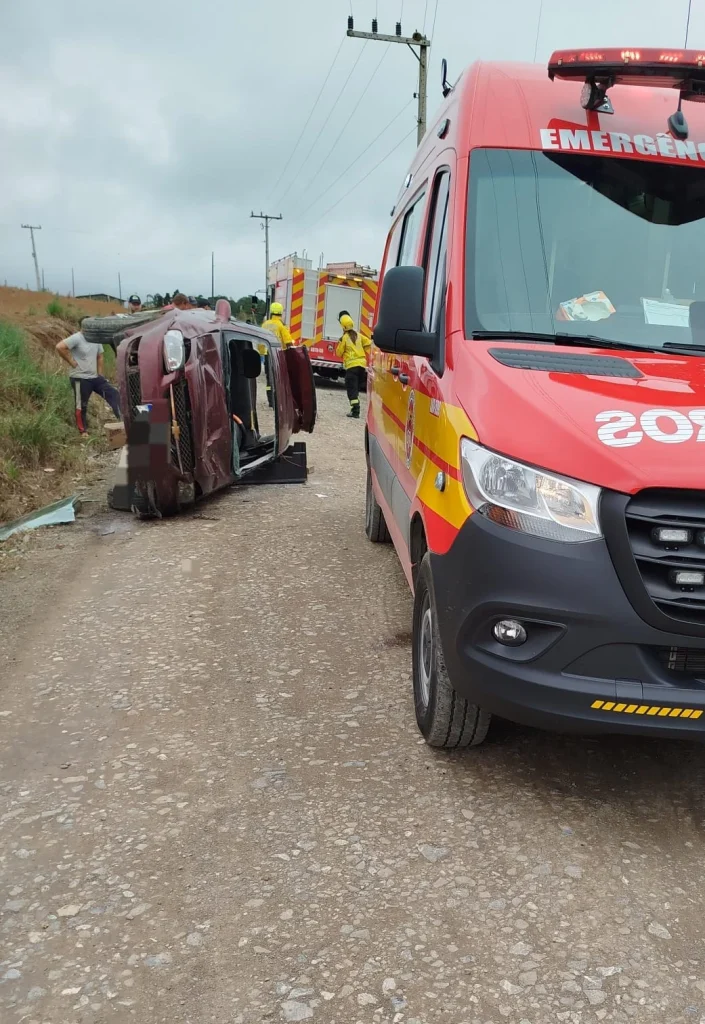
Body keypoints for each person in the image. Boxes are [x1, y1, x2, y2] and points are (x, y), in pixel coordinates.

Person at [55, 330, 121, 434]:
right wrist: (71, 362)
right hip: (80, 377)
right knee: (81, 405)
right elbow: (60, 347)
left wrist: (100, 374)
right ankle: (83, 431)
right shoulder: (77, 338)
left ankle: (122, 421)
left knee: (114, 394)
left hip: (95, 377)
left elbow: (100, 356)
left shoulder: (96, 339)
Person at [261, 301, 294, 406]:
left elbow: (260, 343)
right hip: (279, 355)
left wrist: (262, 352)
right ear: (281, 313)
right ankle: (278, 400)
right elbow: (288, 342)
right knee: (278, 377)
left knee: (269, 379)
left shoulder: (265, 324)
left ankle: (270, 401)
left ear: (271, 312)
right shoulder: (282, 326)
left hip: (267, 355)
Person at [337, 314, 370, 418]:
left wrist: (340, 343)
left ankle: (355, 411)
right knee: (355, 389)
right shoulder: (359, 336)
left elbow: (339, 353)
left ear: (343, 327)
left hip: (352, 367)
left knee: (352, 390)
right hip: (362, 367)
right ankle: (354, 408)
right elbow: (369, 344)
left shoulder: (344, 338)